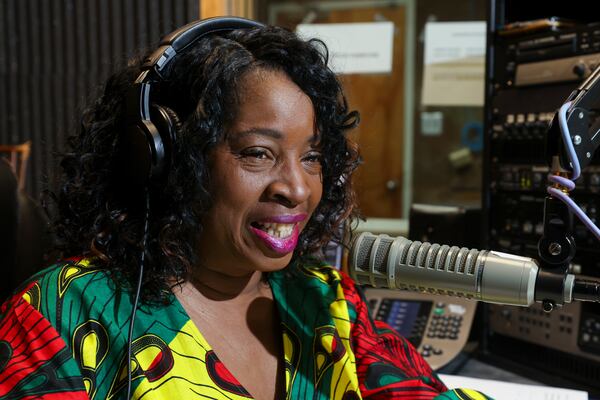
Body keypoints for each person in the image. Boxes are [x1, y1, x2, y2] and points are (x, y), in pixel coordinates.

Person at [0, 18, 490, 400]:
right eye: (258, 153)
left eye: (313, 157)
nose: (297, 189)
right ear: (170, 160)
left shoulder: (325, 302)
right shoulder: (63, 311)